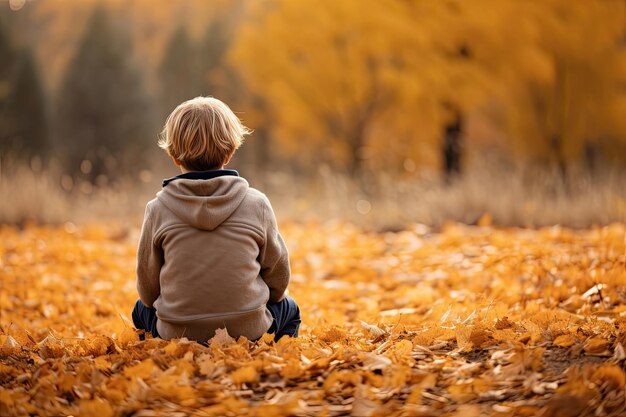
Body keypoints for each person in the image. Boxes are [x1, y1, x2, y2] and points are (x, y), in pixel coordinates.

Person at [131, 96, 300, 343]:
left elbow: (147, 291)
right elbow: (278, 277)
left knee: (139, 310)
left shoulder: (157, 209)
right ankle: (272, 357)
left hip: (178, 336)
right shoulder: (257, 203)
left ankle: (160, 360)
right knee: (290, 309)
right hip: (248, 331)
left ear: (174, 156)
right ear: (230, 152)